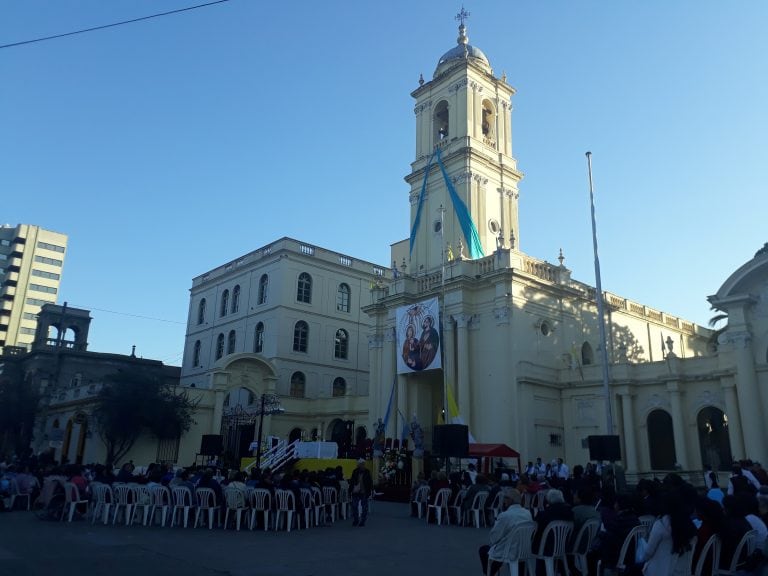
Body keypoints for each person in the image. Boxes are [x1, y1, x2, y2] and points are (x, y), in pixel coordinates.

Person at [637, 491, 697, 576]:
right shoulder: (690, 527)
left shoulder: (660, 525)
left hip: (660, 571)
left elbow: (648, 553)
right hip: (683, 572)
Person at [478, 489, 532, 576]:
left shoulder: (505, 515)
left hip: (508, 552)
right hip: (523, 549)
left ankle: (489, 573)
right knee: (507, 548)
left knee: (485, 550)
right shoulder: (527, 513)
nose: (503, 500)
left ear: (510, 500)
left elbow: (493, 539)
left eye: (505, 498)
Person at [350, 458, 372, 527]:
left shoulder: (367, 472)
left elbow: (369, 482)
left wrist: (369, 491)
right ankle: (356, 519)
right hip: (356, 491)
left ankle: (362, 521)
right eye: (361, 464)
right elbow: (352, 481)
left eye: (363, 464)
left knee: (364, 507)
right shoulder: (355, 471)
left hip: (364, 491)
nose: (362, 466)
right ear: (358, 465)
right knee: (354, 506)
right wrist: (350, 490)